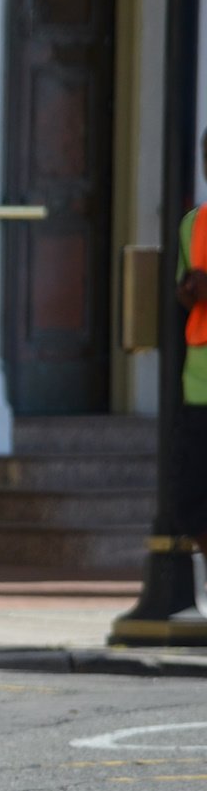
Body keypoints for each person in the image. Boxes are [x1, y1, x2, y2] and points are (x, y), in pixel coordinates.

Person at [173, 127, 207, 559]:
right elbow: (185, 288)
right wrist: (188, 292)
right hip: (198, 383)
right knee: (191, 504)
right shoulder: (193, 224)